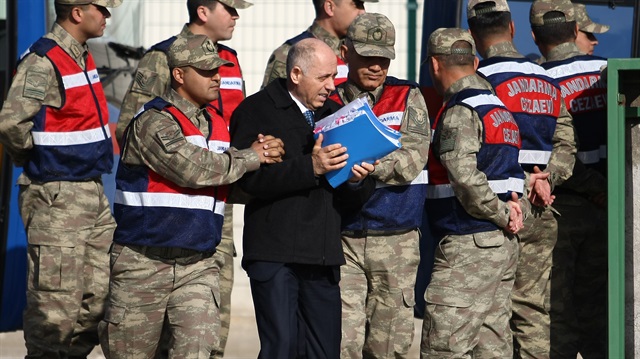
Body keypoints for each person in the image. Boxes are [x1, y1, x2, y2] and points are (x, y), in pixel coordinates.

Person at [98, 34, 284, 358]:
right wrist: (252, 157)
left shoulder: (216, 125)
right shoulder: (153, 121)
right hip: (144, 264)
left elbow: (224, 182)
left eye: (218, 70)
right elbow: (193, 169)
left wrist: (278, 164)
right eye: (207, 71)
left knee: (198, 352)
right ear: (179, 74)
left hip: (198, 264)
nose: (217, 77)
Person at [116, 2, 252, 356]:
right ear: (203, 10)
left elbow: (234, 137)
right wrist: (244, 159)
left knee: (204, 343)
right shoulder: (160, 65)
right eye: (230, 7)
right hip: (152, 241)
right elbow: (132, 131)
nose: (236, 15)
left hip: (206, 231)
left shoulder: (229, 65)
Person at [230, 37, 376, 359]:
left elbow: (355, 196)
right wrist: (310, 166)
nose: (331, 85)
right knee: (281, 348)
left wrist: (356, 180)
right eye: (323, 77)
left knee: (325, 353)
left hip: (322, 256)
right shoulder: (256, 110)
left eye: (333, 76)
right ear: (296, 74)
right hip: (274, 252)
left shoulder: (338, 115)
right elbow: (248, 180)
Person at [0, 0, 120, 357]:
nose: (108, 15)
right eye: (102, 8)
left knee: (100, 301)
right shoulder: (43, 60)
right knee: (55, 311)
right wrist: (37, 160)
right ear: (77, 13)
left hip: (92, 192)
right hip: (57, 196)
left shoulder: (81, 55)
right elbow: (11, 123)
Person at [466, 1, 577, 358]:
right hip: (542, 207)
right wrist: (547, 177)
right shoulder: (546, 76)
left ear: (471, 34)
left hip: (497, 211)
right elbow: (566, 142)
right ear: (512, 28)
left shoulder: (479, 80)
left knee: (490, 313)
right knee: (533, 309)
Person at [420, 27, 528, 358]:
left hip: (468, 243)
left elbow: (465, 178)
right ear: (475, 62)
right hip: (500, 248)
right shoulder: (497, 108)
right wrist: (513, 210)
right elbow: (509, 175)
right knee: (492, 346)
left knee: (445, 348)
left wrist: (502, 214)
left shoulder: (460, 110)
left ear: (435, 65)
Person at [328, 13, 430, 359]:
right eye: (368, 57)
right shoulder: (329, 101)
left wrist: (366, 167)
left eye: (383, 58)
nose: (376, 66)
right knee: (342, 342)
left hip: (397, 239)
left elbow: (414, 157)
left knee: (389, 347)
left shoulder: (407, 96)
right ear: (345, 52)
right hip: (343, 238)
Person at [530, 0, 608, 357]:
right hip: (616, 206)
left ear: (533, 35)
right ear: (575, 30)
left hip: (562, 209)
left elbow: (541, 155)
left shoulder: (536, 82)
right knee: (605, 310)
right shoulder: (609, 70)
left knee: (557, 310)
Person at [260, 0, 378, 89]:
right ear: (330, 7)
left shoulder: (356, 51)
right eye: (356, 4)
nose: (363, 12)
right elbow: (270, 109)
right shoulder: (291, 54)